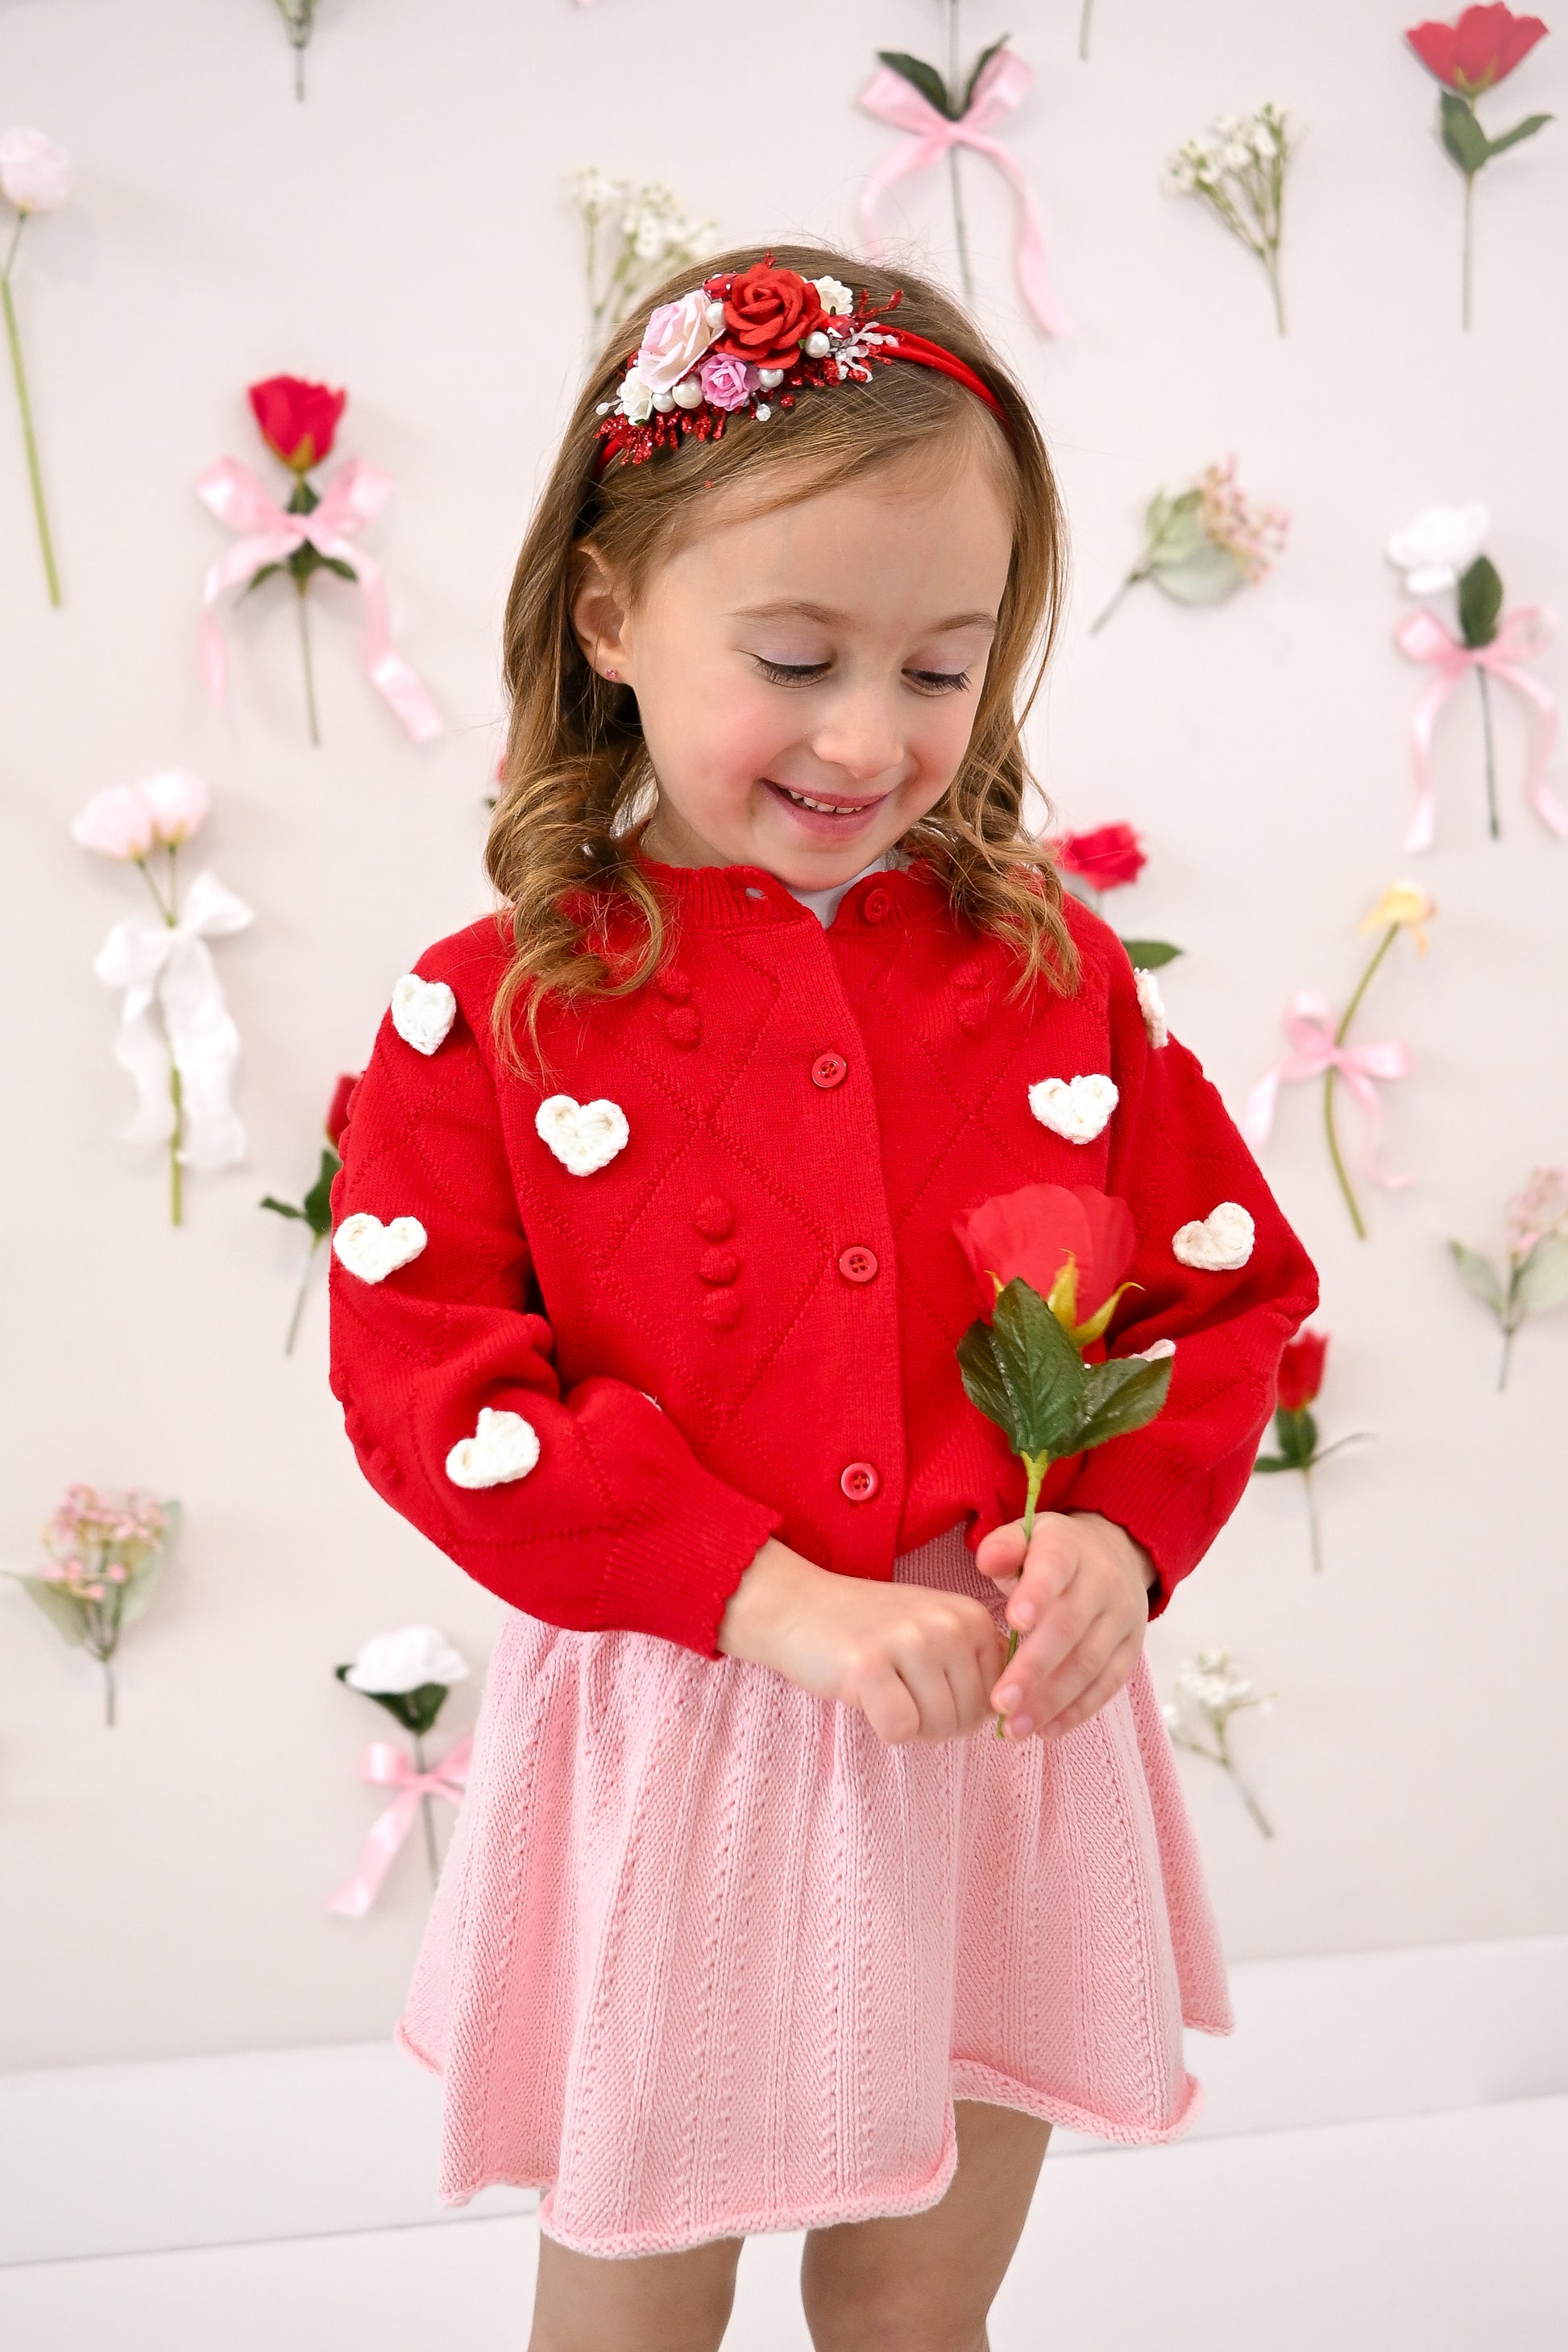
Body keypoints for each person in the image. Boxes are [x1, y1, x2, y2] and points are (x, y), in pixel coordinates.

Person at [328, 244, 1317, 2352]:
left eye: (943, 667)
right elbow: (434, 1395)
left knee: (913, 2311)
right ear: (609, 617)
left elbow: (1218, 1296)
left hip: (993, 1744)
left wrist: (1121, 1538)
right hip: (689, 1736)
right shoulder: (485, 1014)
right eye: (794, 657)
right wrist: (770, 1600)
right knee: (631, 2312)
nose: (872, 735)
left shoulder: (1050, 976)